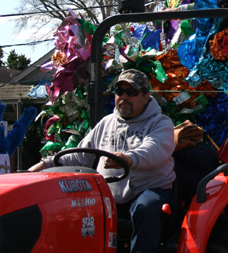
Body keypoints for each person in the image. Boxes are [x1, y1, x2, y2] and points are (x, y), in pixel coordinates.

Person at [29, 69, 175, 253]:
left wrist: (128, 159)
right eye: (120, 91)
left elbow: (155, 150)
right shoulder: (106, 123)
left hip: (146, 190)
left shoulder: (160, 123)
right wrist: (46, 164)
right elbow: (80, 156)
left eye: (131, 92)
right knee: (71, 209)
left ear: (146, 97)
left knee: (146, 207)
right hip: (108, 195)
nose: (124, 97)